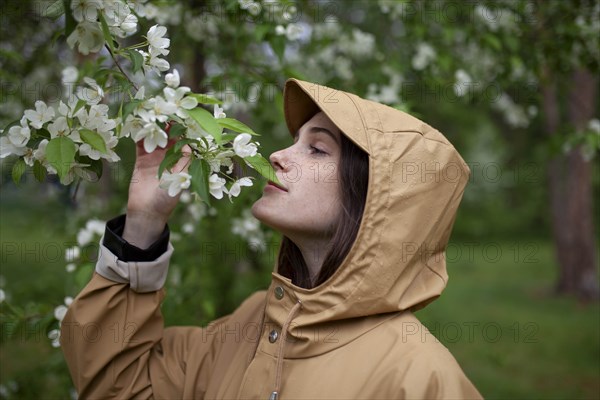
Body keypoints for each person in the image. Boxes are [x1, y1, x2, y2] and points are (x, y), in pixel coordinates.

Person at [60, 78, 483, 399]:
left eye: (317, 149)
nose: (278, 156)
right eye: (294, 141)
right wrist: (144, 221)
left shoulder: (419, 377)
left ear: (378, 197)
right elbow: (119, 386)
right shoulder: (253, 323)